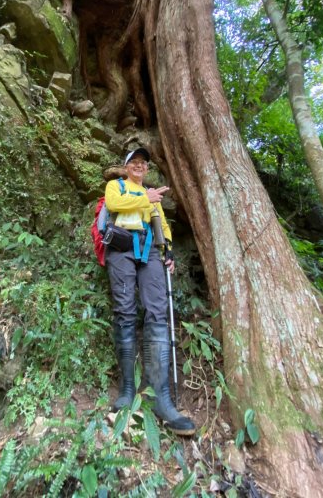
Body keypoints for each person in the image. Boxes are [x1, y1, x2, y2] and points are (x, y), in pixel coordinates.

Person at [104, 147, 195, 436]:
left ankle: (161, 397)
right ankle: (128, 389)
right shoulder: (117, 186)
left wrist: (167, 248)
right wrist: (147, 198)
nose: (139, 166)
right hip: (121, 246)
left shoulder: (152, 194)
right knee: (125, 310)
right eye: (135, 162)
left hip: (149, 250)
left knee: (157, 311)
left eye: (143, 163)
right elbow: (114, 204)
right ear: (127, 166)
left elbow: (162, 225)